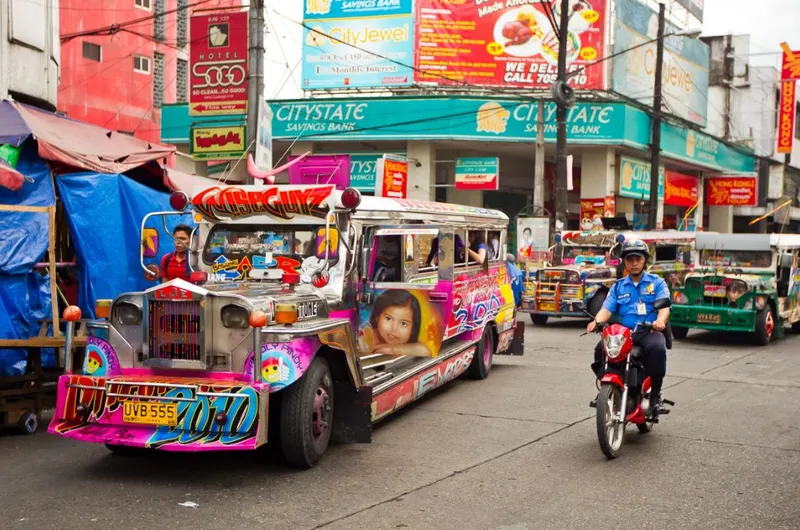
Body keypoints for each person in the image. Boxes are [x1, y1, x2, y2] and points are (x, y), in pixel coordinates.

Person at [587, 238, 670, 416]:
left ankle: (655, 396)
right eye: (630, 259)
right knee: (601, 348)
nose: (634, 263)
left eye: (638, 259)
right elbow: (606, 309)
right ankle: (606, 390)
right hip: (625, 333)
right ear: (624, 261)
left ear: (644, 260)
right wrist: (596, 322)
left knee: (657, 348)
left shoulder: (657, 283)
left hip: (649, 331)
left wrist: (660, 321)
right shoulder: (618, 287)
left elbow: (664, 307)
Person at [364, 291, 432, 357]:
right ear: (377, 317)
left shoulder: (409, 343)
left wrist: (392, 349)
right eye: (388, 318)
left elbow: (426, 351)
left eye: (403, 323)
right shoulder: (367, 337)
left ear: (412, 329)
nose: (394, 328)